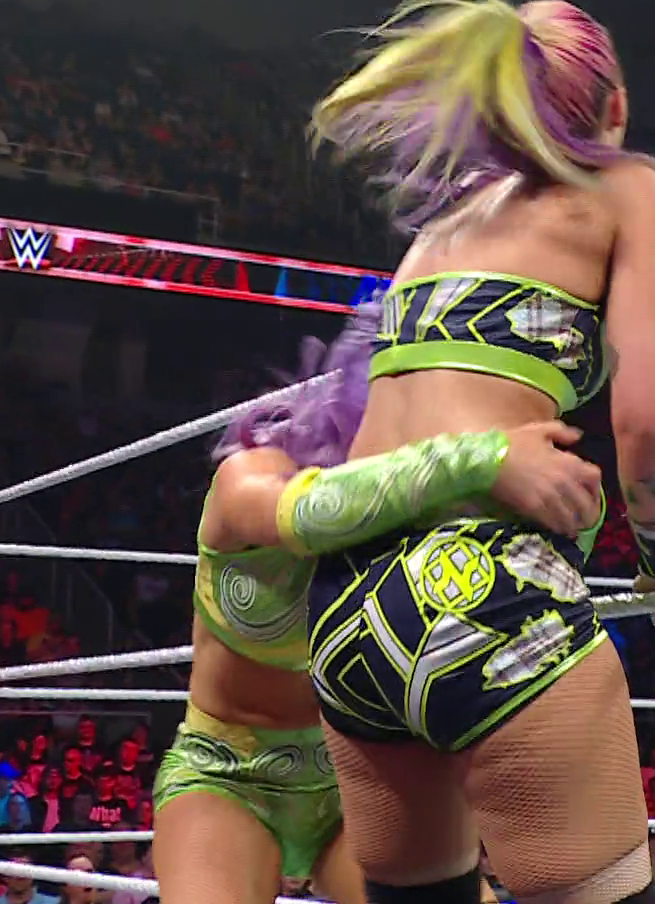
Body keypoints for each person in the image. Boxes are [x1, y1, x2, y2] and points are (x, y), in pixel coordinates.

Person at [288, 0, 655, 904]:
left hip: (349, 613)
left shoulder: (438, 230)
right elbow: (647, 421)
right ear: (615, 107)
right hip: (487, 591)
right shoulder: (627, 187)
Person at [151, 309, 608, 904]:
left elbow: (545, 572)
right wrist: (483, 455)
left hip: (366, 777)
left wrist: (564, 497)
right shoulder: (250, 474)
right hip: (228, 774)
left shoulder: (429, 518)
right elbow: (309, 514)